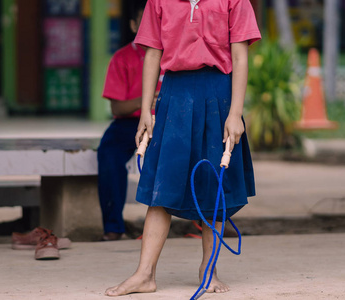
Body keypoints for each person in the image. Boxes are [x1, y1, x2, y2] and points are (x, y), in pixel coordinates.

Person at [105, 0, 261, 296]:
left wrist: (235, 114)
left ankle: (208, 270)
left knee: (214, 186)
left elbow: (240, 58)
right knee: (161, 184)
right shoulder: (158, 2)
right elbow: (152, 54)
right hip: (174, 94)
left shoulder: (234, 0)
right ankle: (144, 274)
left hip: (219, 94)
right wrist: (146, 112)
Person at [98, 0, 162, 242]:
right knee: (108, 153)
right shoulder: (122, 58)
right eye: (145, 22)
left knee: (199, 152)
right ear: (134, 25)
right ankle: (113, 227)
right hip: (131, 123)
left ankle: (208, 222)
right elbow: (117, 107)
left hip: (167, 122)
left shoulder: (175, 56)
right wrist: (145, 102)